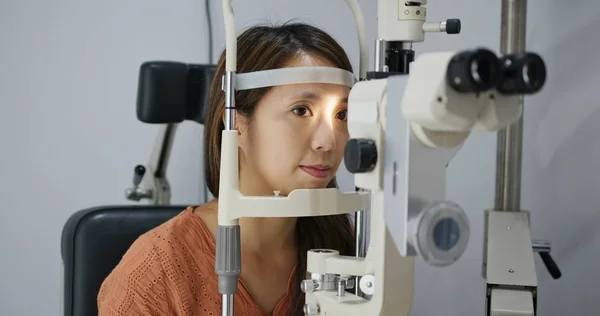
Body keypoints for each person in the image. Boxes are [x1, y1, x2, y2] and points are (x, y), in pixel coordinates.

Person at [97, 22, 356, 316]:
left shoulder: (340, 247)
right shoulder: (156, 272)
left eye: (342, 114)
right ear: (236, 123)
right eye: (301, 110)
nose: (328, 141)